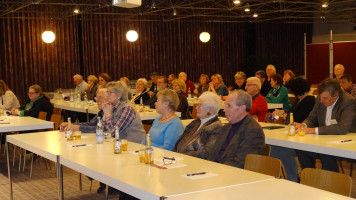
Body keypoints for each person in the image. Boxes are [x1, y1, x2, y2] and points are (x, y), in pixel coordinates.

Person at [295, 78, 356, 172]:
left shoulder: (348, 101)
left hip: (343, 143)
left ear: (336, 95)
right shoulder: (320, 98)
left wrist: (313, 130)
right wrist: (304, 125)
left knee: (326, 152)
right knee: (302, 149)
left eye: (325, 98)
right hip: (323, 140)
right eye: (321, 97)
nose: (321, 101)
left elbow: (342, 128)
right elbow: (312, 118)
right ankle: (309, 179)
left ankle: (330, 184)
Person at [200, 90, 265, 168]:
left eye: (229, 106)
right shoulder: (226, 127)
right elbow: (212, 154)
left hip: (231, 174)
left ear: (242, 108)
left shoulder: (253, 131)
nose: (224, 110)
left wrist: (215, 170)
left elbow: (240, 163)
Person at [271, 77, 315, 182]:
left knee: (282, 148)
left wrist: (283, 114)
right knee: (275, 146)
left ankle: (292, 178)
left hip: (303, 137)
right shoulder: (299, 100)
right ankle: (286, 176)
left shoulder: (309, 101)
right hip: (295, 134)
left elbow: (297, 120)